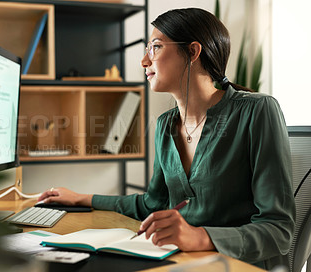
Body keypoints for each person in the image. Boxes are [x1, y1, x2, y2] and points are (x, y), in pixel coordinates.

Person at [38, 8, 295, 270]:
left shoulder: (257, 111)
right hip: (184, 261)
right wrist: (82, 198)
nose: (144, 61)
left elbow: (279, 230)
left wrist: (201, 237)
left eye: (156, 47)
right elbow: (153, 203)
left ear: (193, 52)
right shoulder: (164, 126)